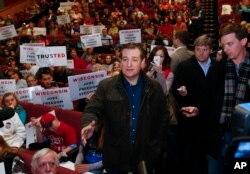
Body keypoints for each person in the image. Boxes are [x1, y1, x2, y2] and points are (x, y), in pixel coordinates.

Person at [81, 43, 169, 173]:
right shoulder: (106, 86)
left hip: (145, 158)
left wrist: (156, 147)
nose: (129, 64)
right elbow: (92, 110)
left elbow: (163, 118)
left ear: (143, 62)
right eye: (125, 59)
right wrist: (88, 123)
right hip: (115, 157)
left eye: (134, 60)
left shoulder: (154, 88)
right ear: (120, 61)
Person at [206, 23, 250, 174]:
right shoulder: (218, 69)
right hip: (220, 135)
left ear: (243, 41)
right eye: (223, 45)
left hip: (246, 138)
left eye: (230, 44)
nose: (225, 49)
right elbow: (208, 100)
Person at [172, 35, 215, 174]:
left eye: (205, 49)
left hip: (211, 119)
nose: (201, 52)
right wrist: (181, 92)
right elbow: (175, 89)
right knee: (191, 158)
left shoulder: (217, 66)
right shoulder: (184, 66)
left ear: (211, 50)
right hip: (190, 120)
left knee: (211, 157)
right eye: (198, 49)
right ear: (194, 49)